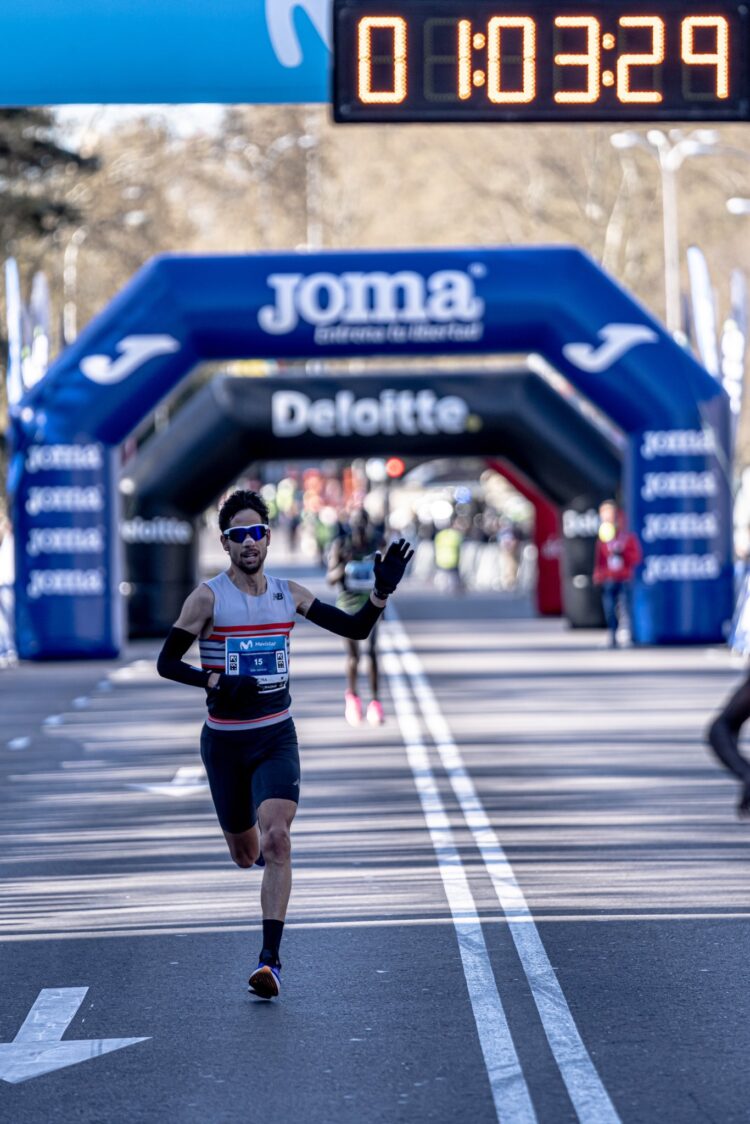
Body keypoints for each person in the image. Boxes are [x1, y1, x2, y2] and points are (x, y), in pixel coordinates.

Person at [156, 489, 412, 999]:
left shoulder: (287, 593)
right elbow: (166, 663)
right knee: (244, 851)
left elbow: (357, 629)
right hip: (226, 744)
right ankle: (254, 852)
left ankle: (269, 962)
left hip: (276, 735)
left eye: (257, 532)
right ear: (225, 543)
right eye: (238, 535)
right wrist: (213, 683)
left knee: (277, 840)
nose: (249, 542)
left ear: (268, 538)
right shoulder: (207, 598)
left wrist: (379, 595)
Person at [327, 510, 386, 727]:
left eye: (363, 523)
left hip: (371, 605)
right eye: (356, 524)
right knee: (354, 657)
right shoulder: (341, 545)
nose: (360, 527)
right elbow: (330, 578)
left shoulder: (375, 544)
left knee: (372, 653)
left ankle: (375, 703)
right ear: (350, 525)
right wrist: (343, 565)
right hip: (347, 607)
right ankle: (352, 698)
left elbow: (386, 573)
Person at [592, 499, 642, 647]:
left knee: (626, 607)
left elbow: (636, 556)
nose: (606, 519)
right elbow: (599, 559)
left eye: (609, 516)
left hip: (624, 578)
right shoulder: (603, 538)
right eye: (604, 516)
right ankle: (612, 636)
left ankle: (630, 635)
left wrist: (623, 554)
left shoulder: (626, 537)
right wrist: (598, 574)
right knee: (609, 608)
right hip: (609, 578)